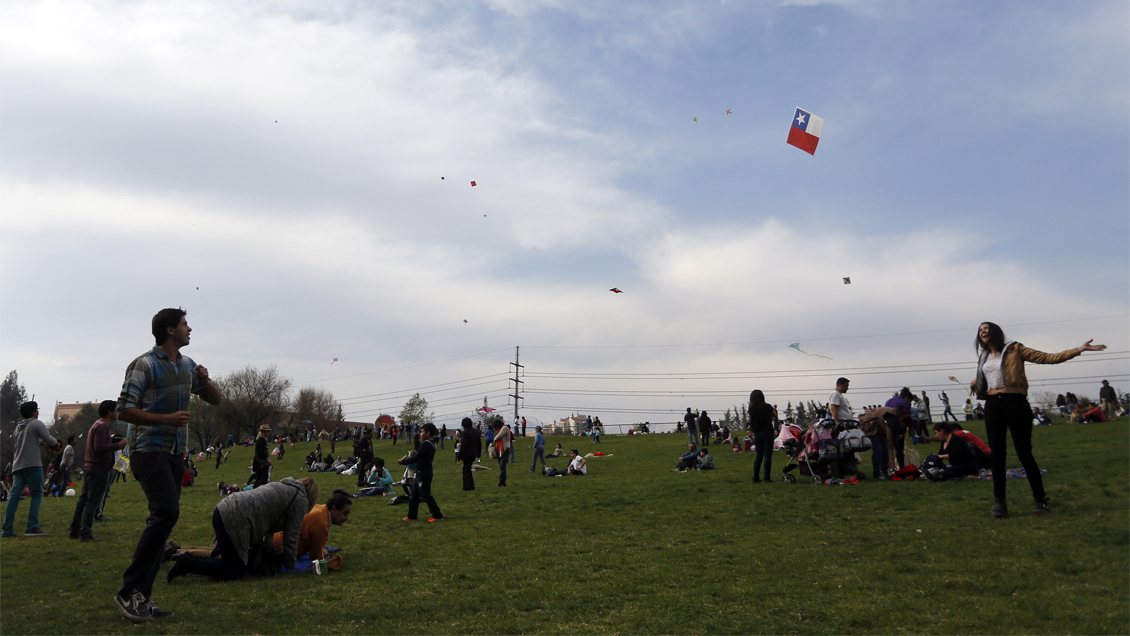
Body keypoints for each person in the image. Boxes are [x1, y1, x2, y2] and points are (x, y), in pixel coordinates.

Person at [113, 307, 223, 622]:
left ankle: (141, 598)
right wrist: (166, 419)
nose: (190, 329)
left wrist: (206, 379)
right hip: (148, 450)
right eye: (185, 324)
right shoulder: (143, 365)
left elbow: (215, 399)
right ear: (169, 330)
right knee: (166, 512)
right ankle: (128, 591)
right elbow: (124, 410)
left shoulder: (188, 365)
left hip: (176, 452)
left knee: (165, 517)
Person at [972, 321, 1105, 518]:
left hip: (1015, 402)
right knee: (997, 455)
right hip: (992, 405)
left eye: (986, 329)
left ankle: (1040, 500)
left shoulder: (1015, 349)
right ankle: (1000, 504)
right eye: (980, 330)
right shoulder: (983, 356)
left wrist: (1079, 349)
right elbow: (988, 375)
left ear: (996, 332)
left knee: (1024, 453)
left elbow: (1048, 358)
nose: (983, 332)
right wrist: (975, 381)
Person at [166, 477, 316, 582]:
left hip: (223, 508)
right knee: (235, 569)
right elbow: (291, 536)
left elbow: (269, 525)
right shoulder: (300, 500)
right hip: (236, 517)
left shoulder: (283, 488)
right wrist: (290, 567)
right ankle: (189, 564)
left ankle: (175, 554)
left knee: (225, 558)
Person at [70, 402, 129, 542]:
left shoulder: (97, 424)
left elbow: (103, 441)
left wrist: (118, 440)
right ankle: (85, 533)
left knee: (83, 499)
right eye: (115, 410)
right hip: (98, 468)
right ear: (110, 412)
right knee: (92, 501)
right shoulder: (103, 426)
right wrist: (118, 445)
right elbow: (99, 447)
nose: (117, 413)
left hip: (90, 467)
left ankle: (75, 530)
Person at [2, 402, 61, 538]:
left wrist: (41, 443)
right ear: (34, 412)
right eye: (37, 410)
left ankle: (6, 531)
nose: (38, 412)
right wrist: (55, 443)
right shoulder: (36, 423)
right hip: (32, 465)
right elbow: (49, 440)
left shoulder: (19, 427)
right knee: (37, 494)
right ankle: (32, 527)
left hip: (18, 466)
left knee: (14, 497)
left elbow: (30, 442)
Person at [271, 492, 350, 560]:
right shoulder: (322, 522)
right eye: (344, 513)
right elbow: (316, 556)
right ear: (333, 510)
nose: (346, 518)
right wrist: (324, 553)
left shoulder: (319, 509)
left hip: (273, 539)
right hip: (278, 550)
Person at [398, 423, 443, 522]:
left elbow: (417, 458)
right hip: (419, 473)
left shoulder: (426, 444)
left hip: (424, 473)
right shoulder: (431, 443)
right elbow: (421, 456)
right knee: (414, 495)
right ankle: (412, 515)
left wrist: (403, 462)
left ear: (428, 433)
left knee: (425, 494)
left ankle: (437, 515)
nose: (420, 434)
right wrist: (418, 453)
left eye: (422, 432)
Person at [748, 390, 777, 483]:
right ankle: (767, 477)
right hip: (767, 432)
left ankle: (756, 477)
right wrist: (770, 418)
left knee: (759, 456)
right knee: (768, 456)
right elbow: (774, 415)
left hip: (757, 433)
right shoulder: (767, 406)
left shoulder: (751, 408)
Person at [457, 418, 481, 491]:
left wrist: (459, 456)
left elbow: (463, 446)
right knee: (467, 469)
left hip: (467, 454)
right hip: (474, 453)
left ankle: (468, 487)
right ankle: (468, 487)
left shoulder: (465, 433)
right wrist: (478, 454)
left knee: (466, 470)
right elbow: (479, 444)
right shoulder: (476, 432)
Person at [492, 419, 511, 487]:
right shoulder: (503, 429)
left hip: (505, 449)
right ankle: (503, 481)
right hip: (501, 449)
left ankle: (501, 481)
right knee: (502, 466)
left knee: (502, 466)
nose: (496, 429)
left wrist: (494, 440)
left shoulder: (504, 428)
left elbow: (498, 437)